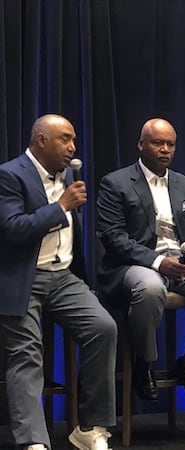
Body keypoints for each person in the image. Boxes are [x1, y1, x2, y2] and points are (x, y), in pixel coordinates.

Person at [96, 118, 185, 401]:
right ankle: (144, 363)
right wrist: (159, 262)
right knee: (151, 288)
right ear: (141, 145)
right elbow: (113, 237)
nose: (165, 149)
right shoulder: (116, 182)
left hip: (181, 265)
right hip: (135, 266)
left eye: (170, 144)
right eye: (157, 143)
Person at [0, 114, 117, 450]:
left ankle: (90, 427)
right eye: (65, 139)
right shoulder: (10, 175)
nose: (72, 148)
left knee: (103, 328)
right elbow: (13, 230)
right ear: (41, 140)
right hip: (22, 279)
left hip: (63, 278)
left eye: (74, 141)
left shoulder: (67, 178)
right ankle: (34, 441)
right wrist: (61, 206)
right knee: (27, 353)